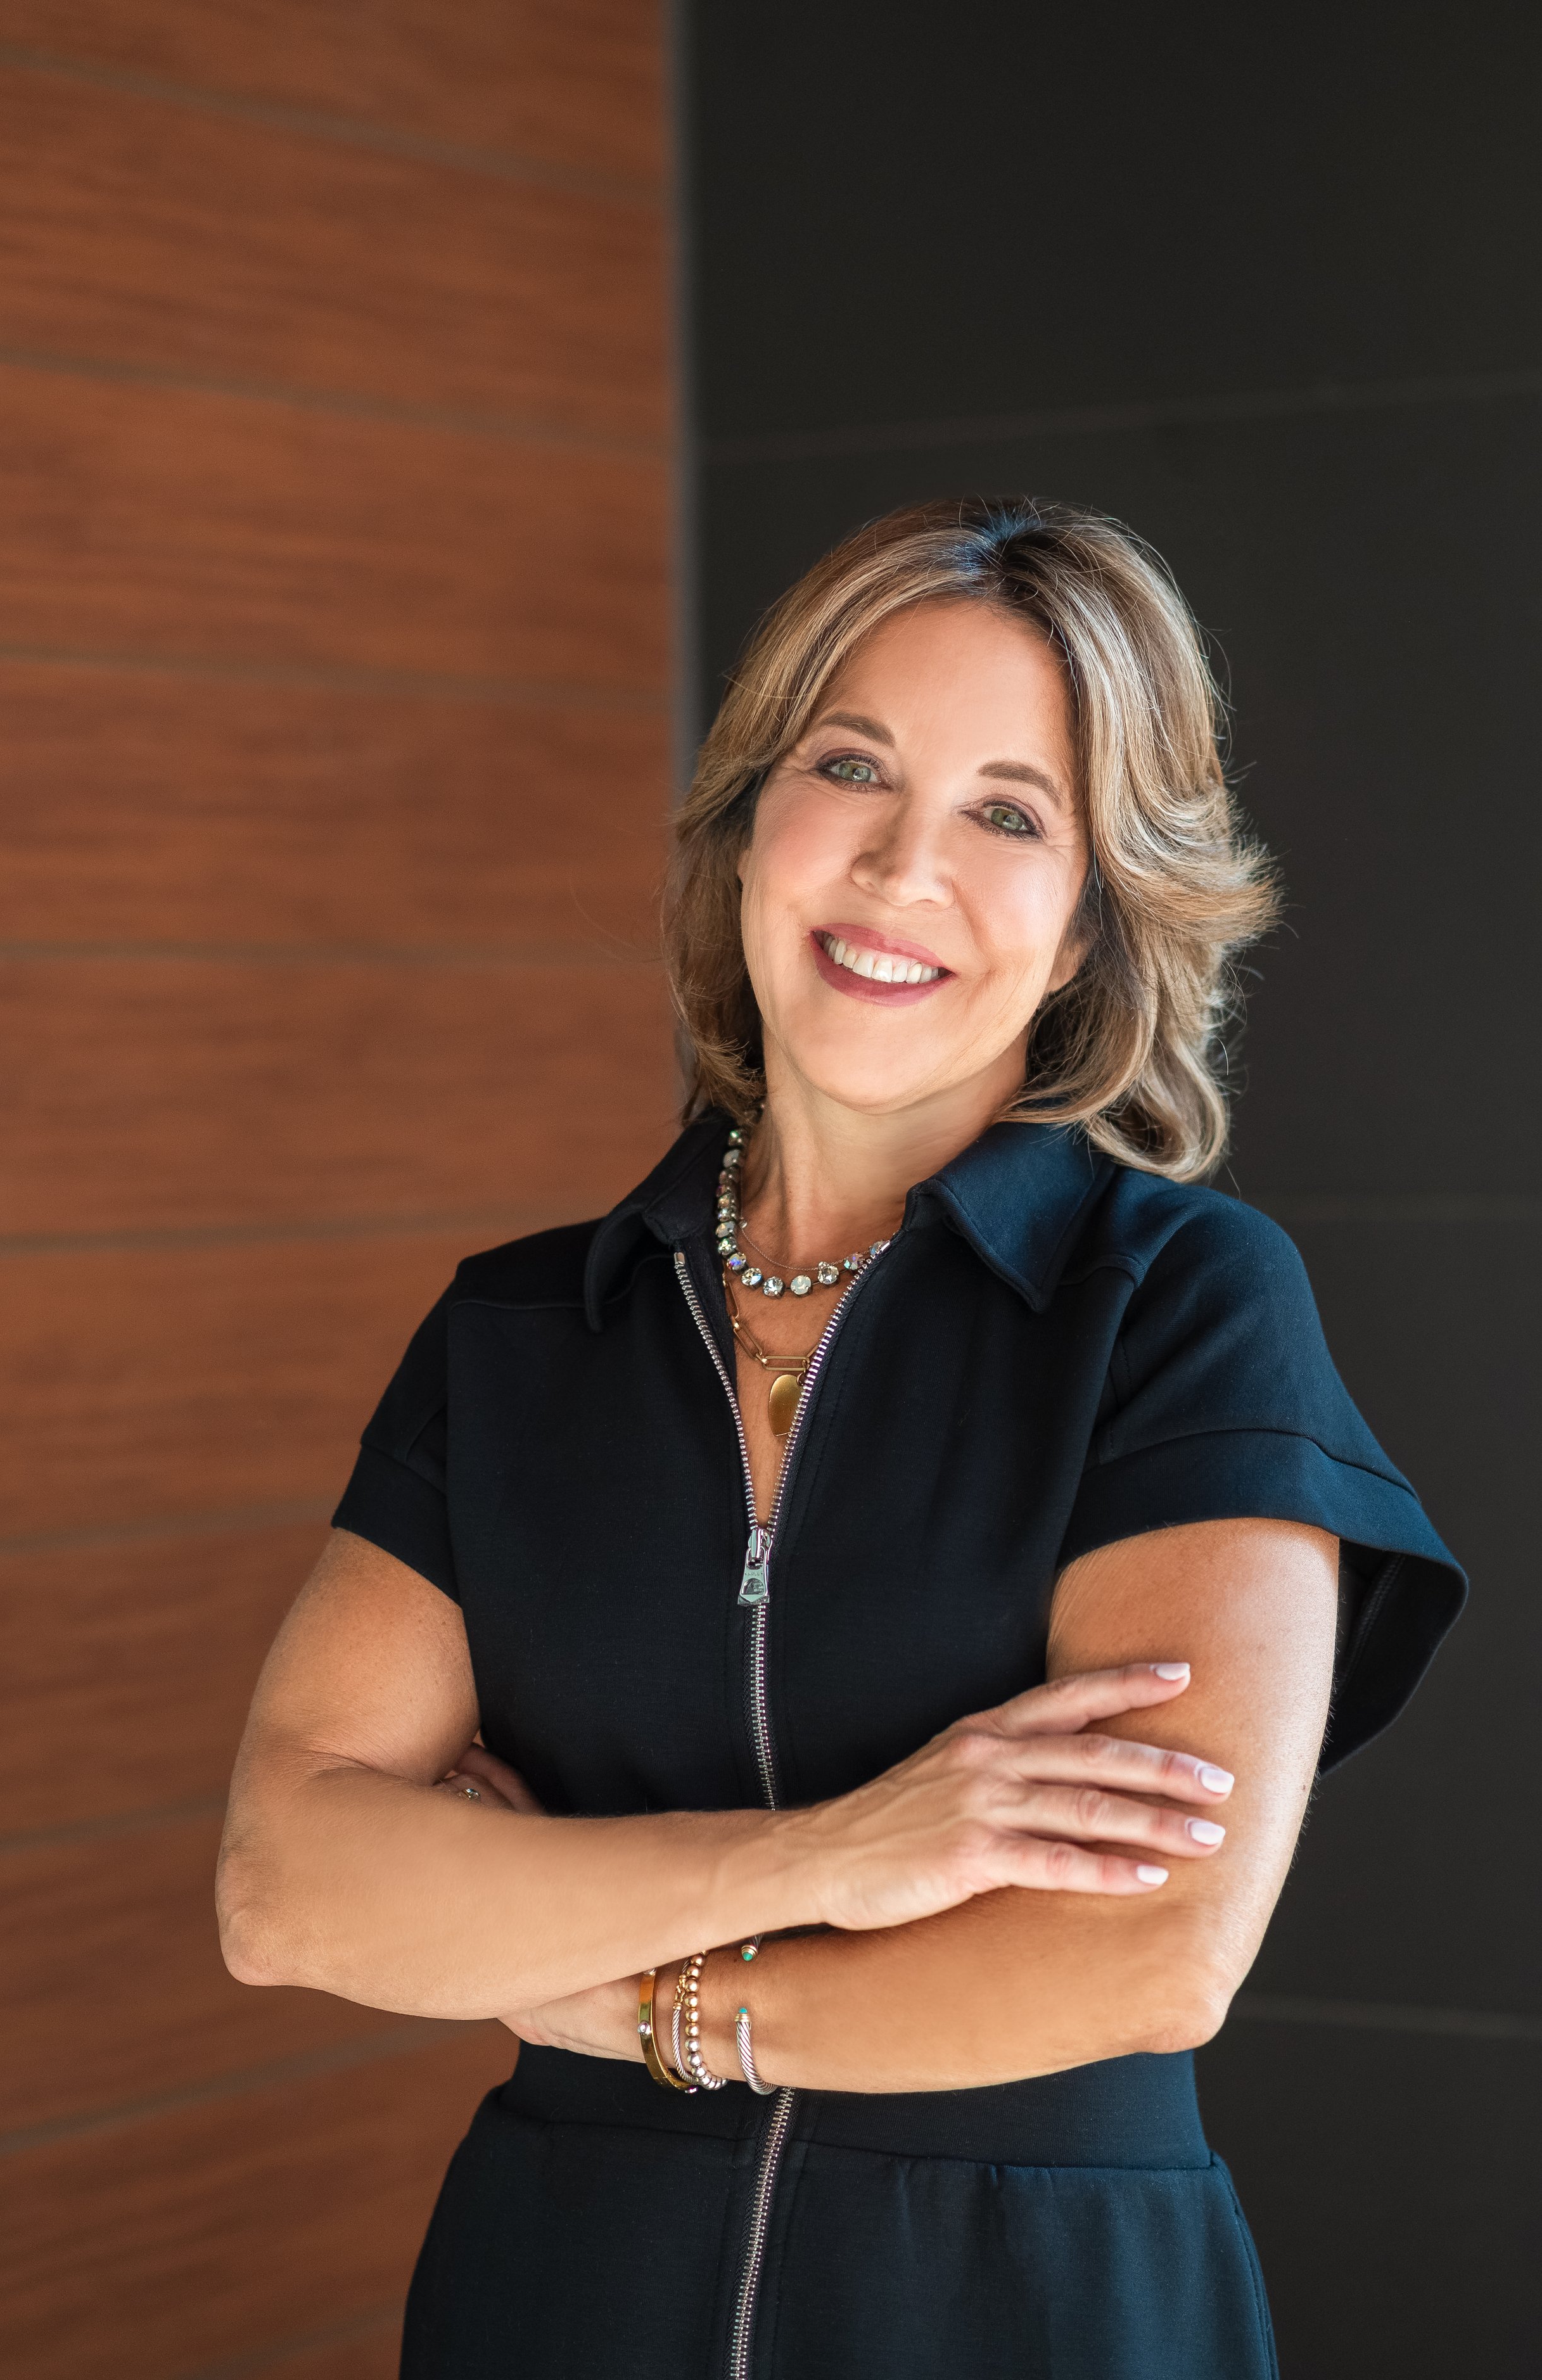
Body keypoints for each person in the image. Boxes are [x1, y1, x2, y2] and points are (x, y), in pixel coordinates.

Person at [217, 498, 1464, 2379]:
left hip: (1028, 2313)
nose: (899, 866)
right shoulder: (516, 1337)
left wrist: (591, 1993)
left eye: (1007, 813)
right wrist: (837, 1858)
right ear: (746, 829)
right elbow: (286, 1887)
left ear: (1084, 929)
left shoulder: (1180, 1308)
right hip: (563, 2305)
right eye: (850, 767)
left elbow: (1140, 1959)